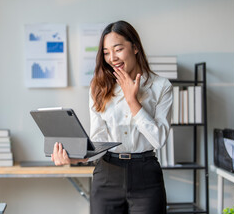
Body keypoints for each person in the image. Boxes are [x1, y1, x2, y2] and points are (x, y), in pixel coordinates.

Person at [51, 20, 173, 214]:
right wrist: (76, 158)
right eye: (106, 52)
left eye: (118, 49)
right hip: (107, 173)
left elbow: (158, 140)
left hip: (146, 176)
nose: (112, 58)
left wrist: (132, 100)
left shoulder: (161, 86)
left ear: (135, 47)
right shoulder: (98, 87)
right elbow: (99, 141)